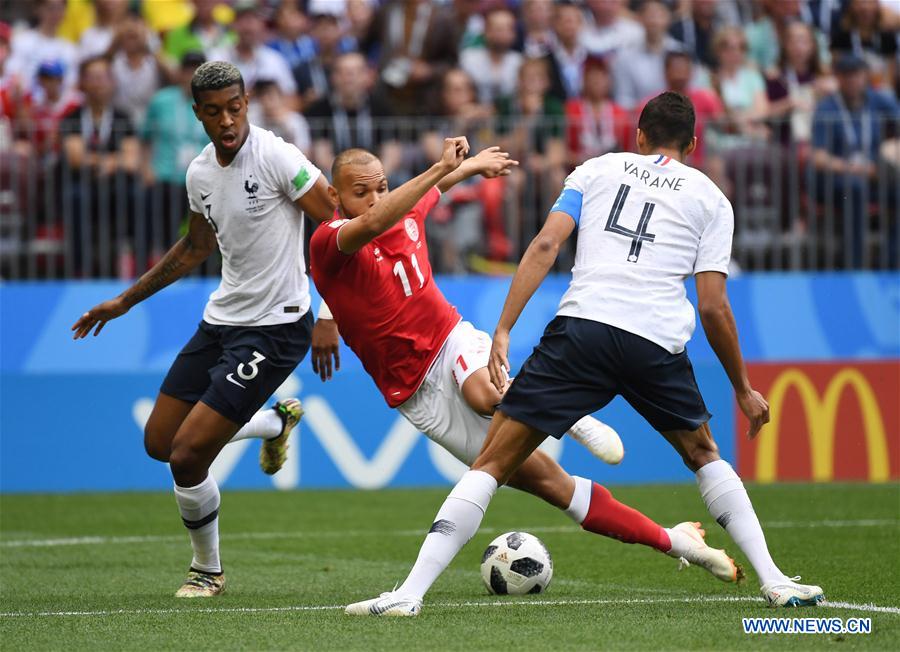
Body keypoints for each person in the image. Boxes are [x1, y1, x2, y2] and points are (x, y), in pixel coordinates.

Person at [346, 91, 825, 616]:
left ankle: (410, 594)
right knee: (703, 454)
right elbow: (713, 306)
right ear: (693, 143)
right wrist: (742, 389)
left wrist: (504, 328)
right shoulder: (712, 200)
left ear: (638, 136)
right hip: (654, 341)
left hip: (583, 330)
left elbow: (545, 245)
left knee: (492, 463)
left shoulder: (597, 169)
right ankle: (774, 580)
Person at [312, 142, 741, 618]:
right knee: (557, 488)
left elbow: (434, 189)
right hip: (414, 393)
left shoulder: (405, 203)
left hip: (451, 340)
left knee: (483, 394)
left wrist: (471, 166)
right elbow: (380, 219)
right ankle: (677, 542)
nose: (375, 199)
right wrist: (444, 170)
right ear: (334, 196)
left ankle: (569, 418)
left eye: (381, 188)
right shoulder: (328, 242)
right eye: (361, 192)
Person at [71, 61, 335, 597]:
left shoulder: (277, 156)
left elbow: (336, 222)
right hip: (221, 321)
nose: (227, 121)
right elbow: (195, 246)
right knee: (160, 442)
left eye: (235, 108)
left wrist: (328, 315)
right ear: (197, 114)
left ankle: (207, 571)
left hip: (277, 326)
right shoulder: (200, 173)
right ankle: (273, 424)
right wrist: (124, 301)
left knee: (188, 455)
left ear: (246, 103)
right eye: (214, 112)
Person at [811, 54, 900, 267]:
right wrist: (856, 168)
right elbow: (819, 158)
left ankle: (892, 261)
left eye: (857, 74)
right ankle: (855, 264)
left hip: (875, 174)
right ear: (838, 78)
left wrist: (892, 149)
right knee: (855, 189)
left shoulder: (878, 100)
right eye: (847, 75)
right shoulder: (827, 107)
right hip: (837, 178)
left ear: (865, 76)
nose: (852, 80)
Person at [612, 0, 681, 110]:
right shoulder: (625, 57)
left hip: (675, 114)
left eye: (659, 15)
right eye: (650, 15)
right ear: (639, 18)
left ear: (668, 18)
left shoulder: (680, 53)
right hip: (639, 116)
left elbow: (690, 92)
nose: (654, 21)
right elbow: (623, 98)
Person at [459, 8, 523, 105]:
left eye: (508, 29)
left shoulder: (520, 62)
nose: (503, 34)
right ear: (486, 31)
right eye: (499, 29)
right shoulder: (467, 58)